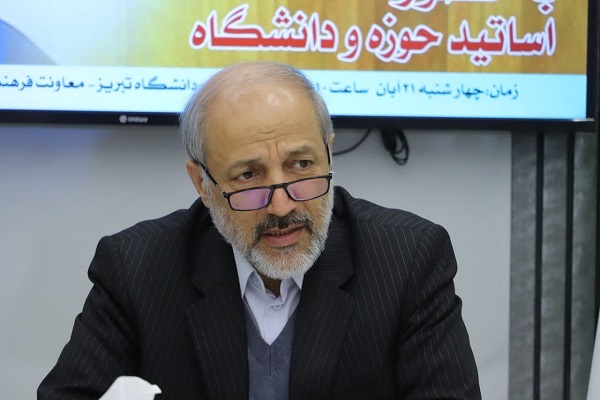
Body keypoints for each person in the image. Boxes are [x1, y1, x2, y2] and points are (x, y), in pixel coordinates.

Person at [38, 61, 481, 399]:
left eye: (301, 165)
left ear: (329, 156)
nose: (282, 205)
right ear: (202, 184)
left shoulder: (407, 258)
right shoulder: (137, 268)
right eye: (248, 176)